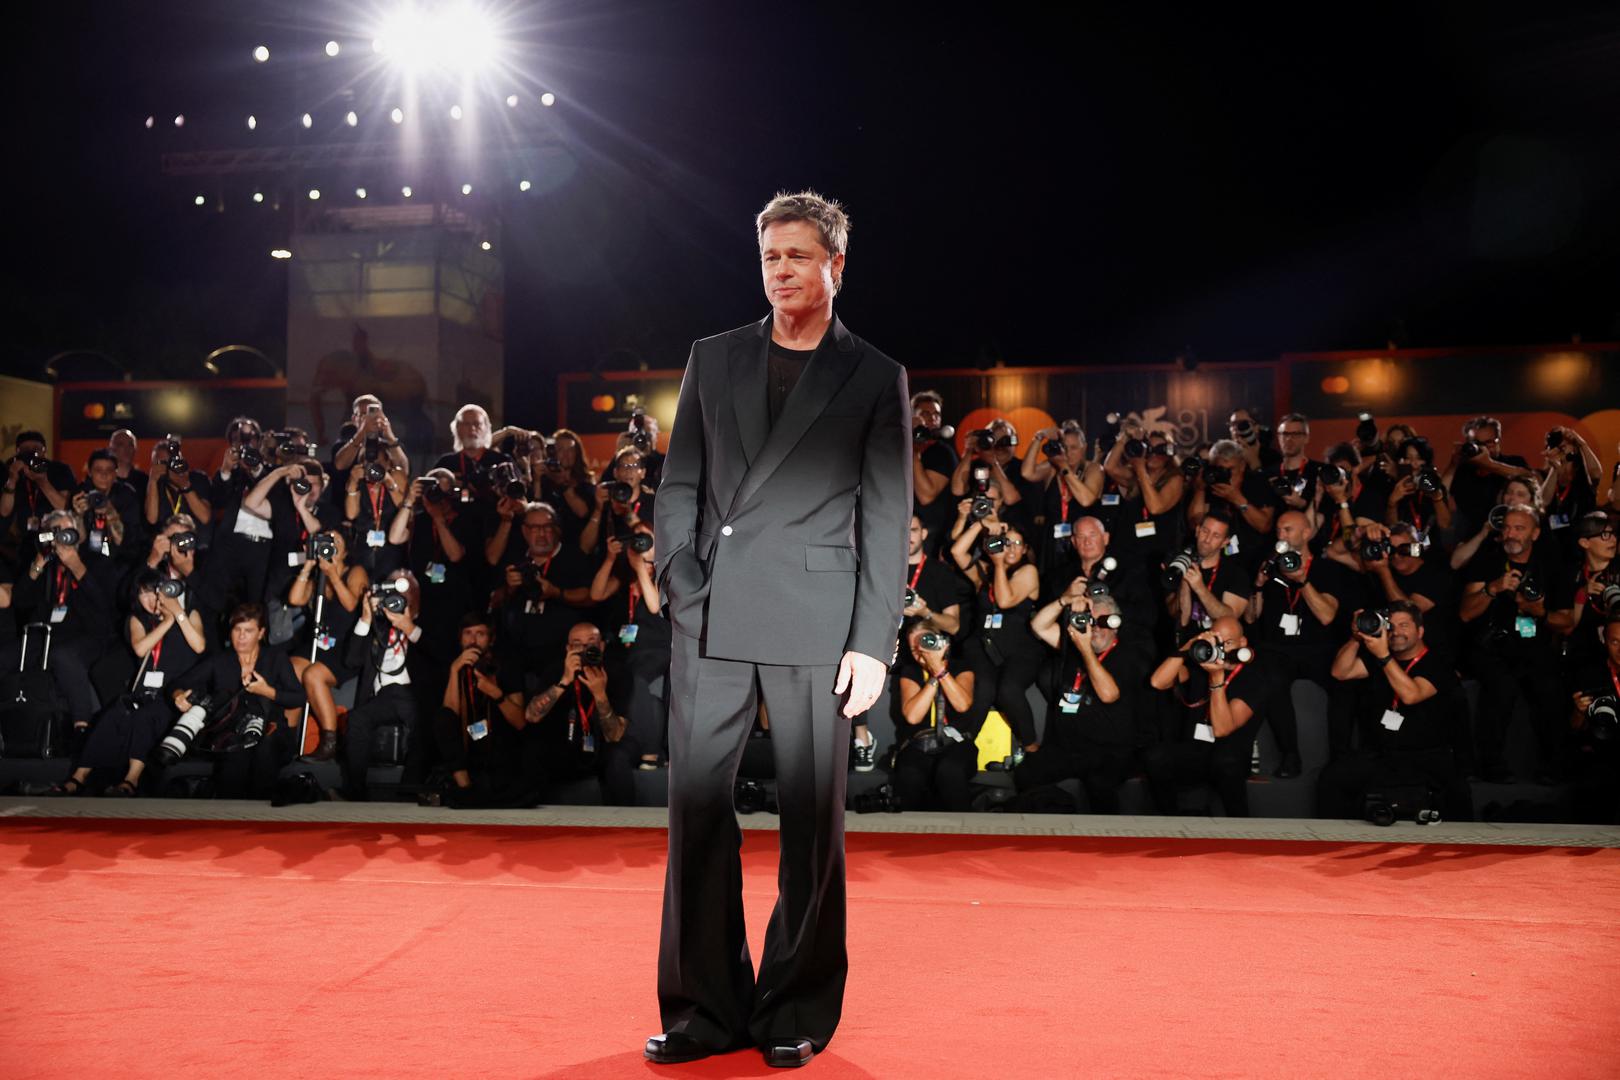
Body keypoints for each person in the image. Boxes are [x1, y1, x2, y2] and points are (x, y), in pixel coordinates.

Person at [648, 191, 909, 1068]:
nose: (781, 271)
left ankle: (795, 1008)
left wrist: (872, 640)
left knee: (809, 823)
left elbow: (886, 516)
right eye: (769, 257)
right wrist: (681, 581)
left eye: (798, 256)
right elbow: (680, 483)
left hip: (818, 624)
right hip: (711, 615)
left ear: (837, 264)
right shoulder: (713, 357)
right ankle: (702, 1011)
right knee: (696, 814)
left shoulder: (874, 375)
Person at [53, 570, 209, 796]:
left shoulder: (190, 614)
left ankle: (131, 780)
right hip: (144, 691)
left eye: (153, 592)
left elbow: (199, 646)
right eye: (142, 594)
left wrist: (177, 613)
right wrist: (167, 621)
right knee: (113, 714)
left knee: (145, 716)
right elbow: (140, 648)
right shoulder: (137, 619)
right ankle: (79, 777)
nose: (149, 599)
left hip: (175, 692)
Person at [1317, 603, 1471, 821]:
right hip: (1384, 755)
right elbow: (1340, 672)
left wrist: (1384, 656)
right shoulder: (1379, 660)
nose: (1396, 632)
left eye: (1404, 625)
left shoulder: (1437, 663)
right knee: (1333, 778)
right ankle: (1332, 838)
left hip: (1428, 757)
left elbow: (1411, 695)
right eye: (1391, 626)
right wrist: (1356, 638)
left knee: (1457, 792)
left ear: (1420, 631)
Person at [1017, 589, 1150, 813]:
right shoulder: (1075, 646)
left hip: (1109, 751)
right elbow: (1039, 626)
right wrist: (1064, 601)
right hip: (1068, 748)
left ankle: (1106, 834)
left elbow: (1108, 694)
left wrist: (1086, 649)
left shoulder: (1129, 654)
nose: (1095, 628)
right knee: (1027, 773)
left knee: (1100, 786)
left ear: (1115, 625)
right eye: (1090, 621)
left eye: (1102, 622)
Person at [1144, 615, 1278, 816]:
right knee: (1155, 757)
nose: (1221, 648)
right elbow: (1158, 682)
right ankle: (1170, 820)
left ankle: (1239, 824)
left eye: (1228, 643)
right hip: (1196, 750)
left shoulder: (1254, 677)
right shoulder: (1201, 664)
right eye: (1217, 641)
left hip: (1230, 755)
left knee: (1226, 762)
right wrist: (1189, 646)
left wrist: (1216, 678)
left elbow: (1223, 730)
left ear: (1242, 643)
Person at [524, 622, 641, 805]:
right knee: (534, 750)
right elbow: (532, 716)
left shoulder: (617, 672)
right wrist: (564, 681)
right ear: (568, 649)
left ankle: (624, 819)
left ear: (601, 646)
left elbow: (614, 735)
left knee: (616, 757)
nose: (584, 649)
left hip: (605, 745)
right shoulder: (557, 671)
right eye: (577, 644)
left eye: (591, 643)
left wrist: (600, 693)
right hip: (569, 740)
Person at [889, 620, 977, 811]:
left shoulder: (961, 667)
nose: (919, 651)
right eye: (913, 648)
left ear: (940, 642)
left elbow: (962, 705)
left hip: (957, 742)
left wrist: (940, 670)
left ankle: (961, 826)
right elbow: (913, 716)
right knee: (909, 772)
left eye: (924, 642)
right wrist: (934, 676)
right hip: (919, 743)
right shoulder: (911, 671)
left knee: (950, 770)